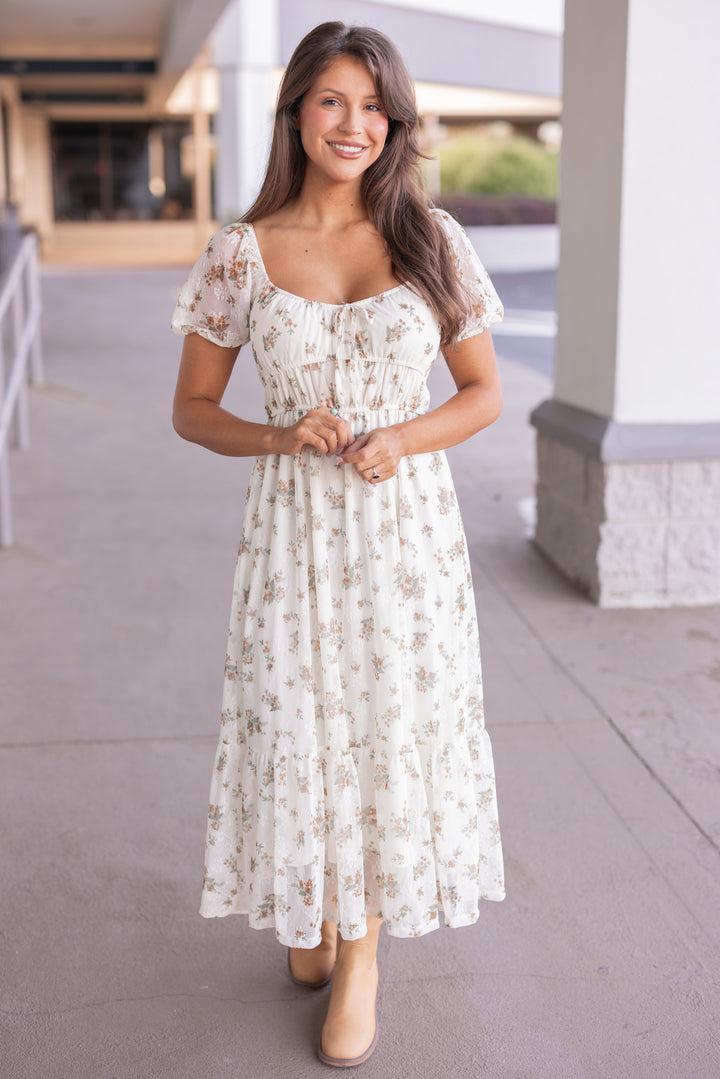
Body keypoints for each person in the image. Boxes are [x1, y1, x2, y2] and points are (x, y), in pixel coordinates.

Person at [171, 20, 506, 1069]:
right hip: (295, 538)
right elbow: (191, 408)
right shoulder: (242, 248)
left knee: (382, 723)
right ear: (296, 112)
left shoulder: (432, 237)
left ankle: (360, 953)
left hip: (405, 543)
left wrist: (401, 435)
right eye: (331, 100)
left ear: (394, 120)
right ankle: (314, 907)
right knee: (304, 718)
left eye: (373, 105)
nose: (353, 123)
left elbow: (484, 391)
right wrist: (280, 432)